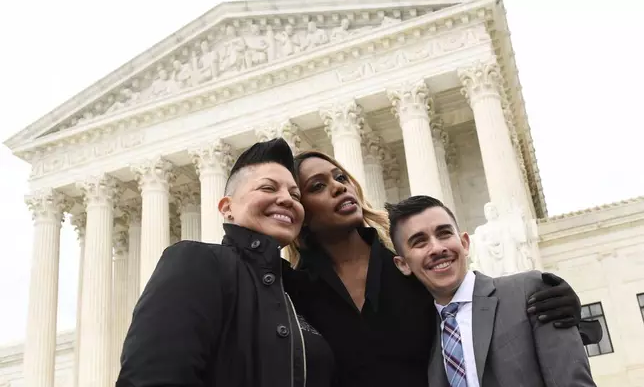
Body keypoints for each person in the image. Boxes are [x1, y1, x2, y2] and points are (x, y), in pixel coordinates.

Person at [283, 150, 597, 387]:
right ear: (301, 210)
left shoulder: (408, 259)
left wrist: (556, 302)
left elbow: (477, 306)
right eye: (318, 186)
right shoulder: (294, 292)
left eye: (340, 177)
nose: (339, 188)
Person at [117, 138, 334, 387]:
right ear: (227, 208)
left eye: (295, 194)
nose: (287, 199)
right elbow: (153, 376)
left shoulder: (298, 293)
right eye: (268, 188)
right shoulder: (197, 263)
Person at [385, 195, 596, 387]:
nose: (437, 248)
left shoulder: (528, 292)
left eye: (444, 234)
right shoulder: (417, 335)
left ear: (465, 243)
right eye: (420, 242)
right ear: (403, 264)